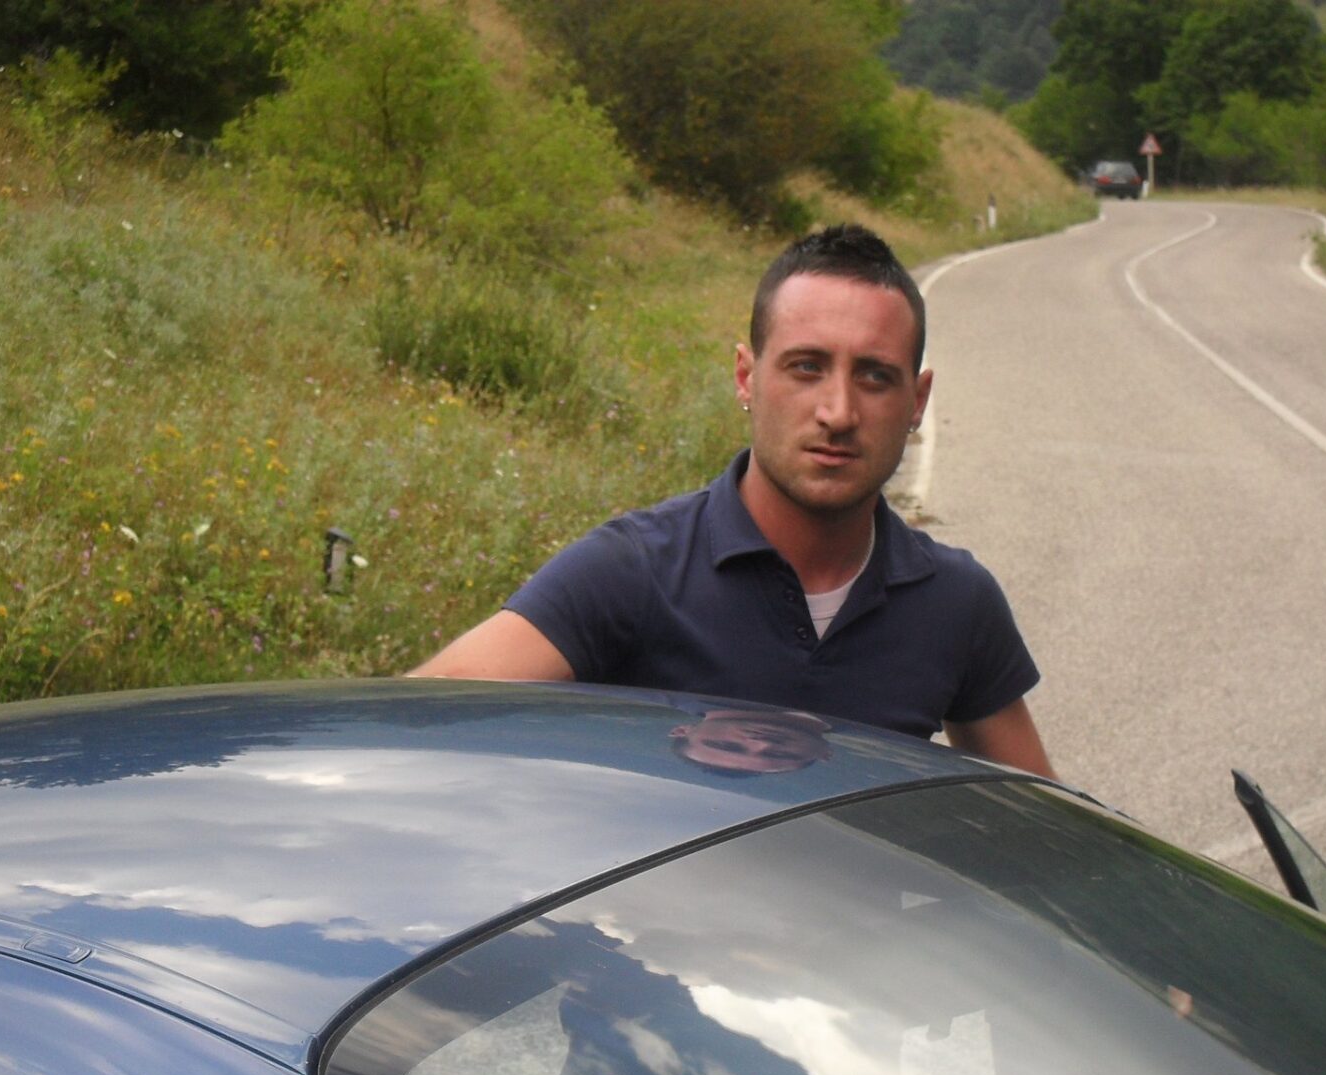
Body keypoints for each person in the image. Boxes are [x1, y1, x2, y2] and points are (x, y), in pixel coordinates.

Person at [412, 224, 1054, 777]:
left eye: (875, 376)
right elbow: (413, 722)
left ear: (917, 401)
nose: (838, 412)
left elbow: (1048, 834)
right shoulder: (635, 572)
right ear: (747, 377)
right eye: (806, 367)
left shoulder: (956, 603)